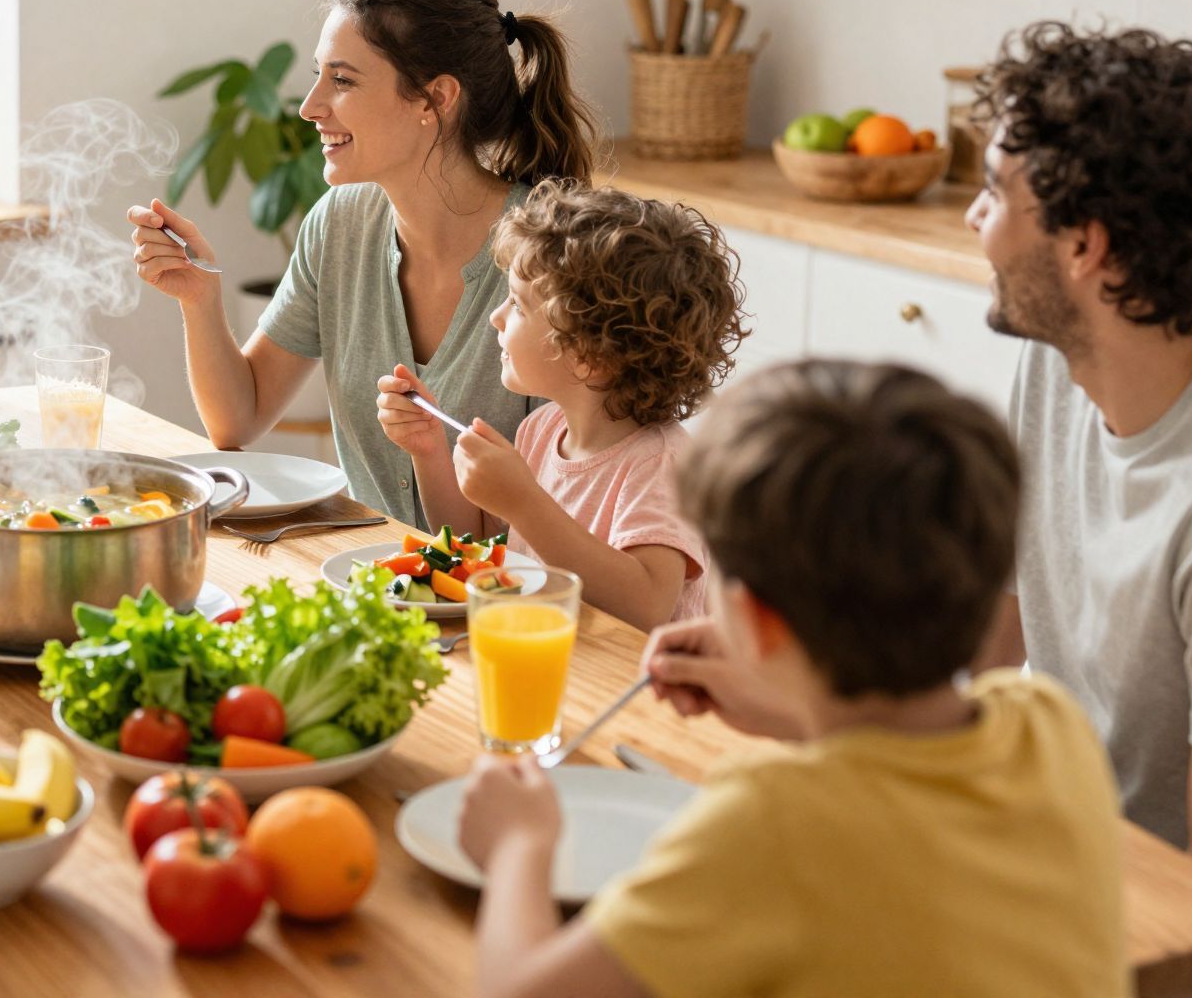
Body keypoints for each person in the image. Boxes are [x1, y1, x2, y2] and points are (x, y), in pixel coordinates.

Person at [457, 359, 1126, 998]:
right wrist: (788, 708)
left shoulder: (770, 820)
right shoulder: (1047, 720)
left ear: (757, 619)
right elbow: (901, 788)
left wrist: (520, 846)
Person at [967, 22, 1192, 912]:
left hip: (1177, 939)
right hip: (1063, 866)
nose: (973, 220)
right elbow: (995, 639)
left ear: (1084, 247)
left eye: (993, 192)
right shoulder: (1061, 356)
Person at [130, 0, 603, 527]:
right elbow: (238, 419)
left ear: (435, 99)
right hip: (365, 567)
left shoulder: (548, 257)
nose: (309, 107)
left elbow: (577, 504)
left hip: (511, 583)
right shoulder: (339, 223)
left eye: (343, 80)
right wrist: (199, 298)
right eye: (319, 75)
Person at [375, 181, 742, 629]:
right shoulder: (543, 429)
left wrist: (525, 503)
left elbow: (647, 606)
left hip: (626, 673)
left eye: (518, 305)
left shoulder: (661, 464)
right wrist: (428, 449)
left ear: (591, 355)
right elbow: (477, 544)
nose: (496, 317)